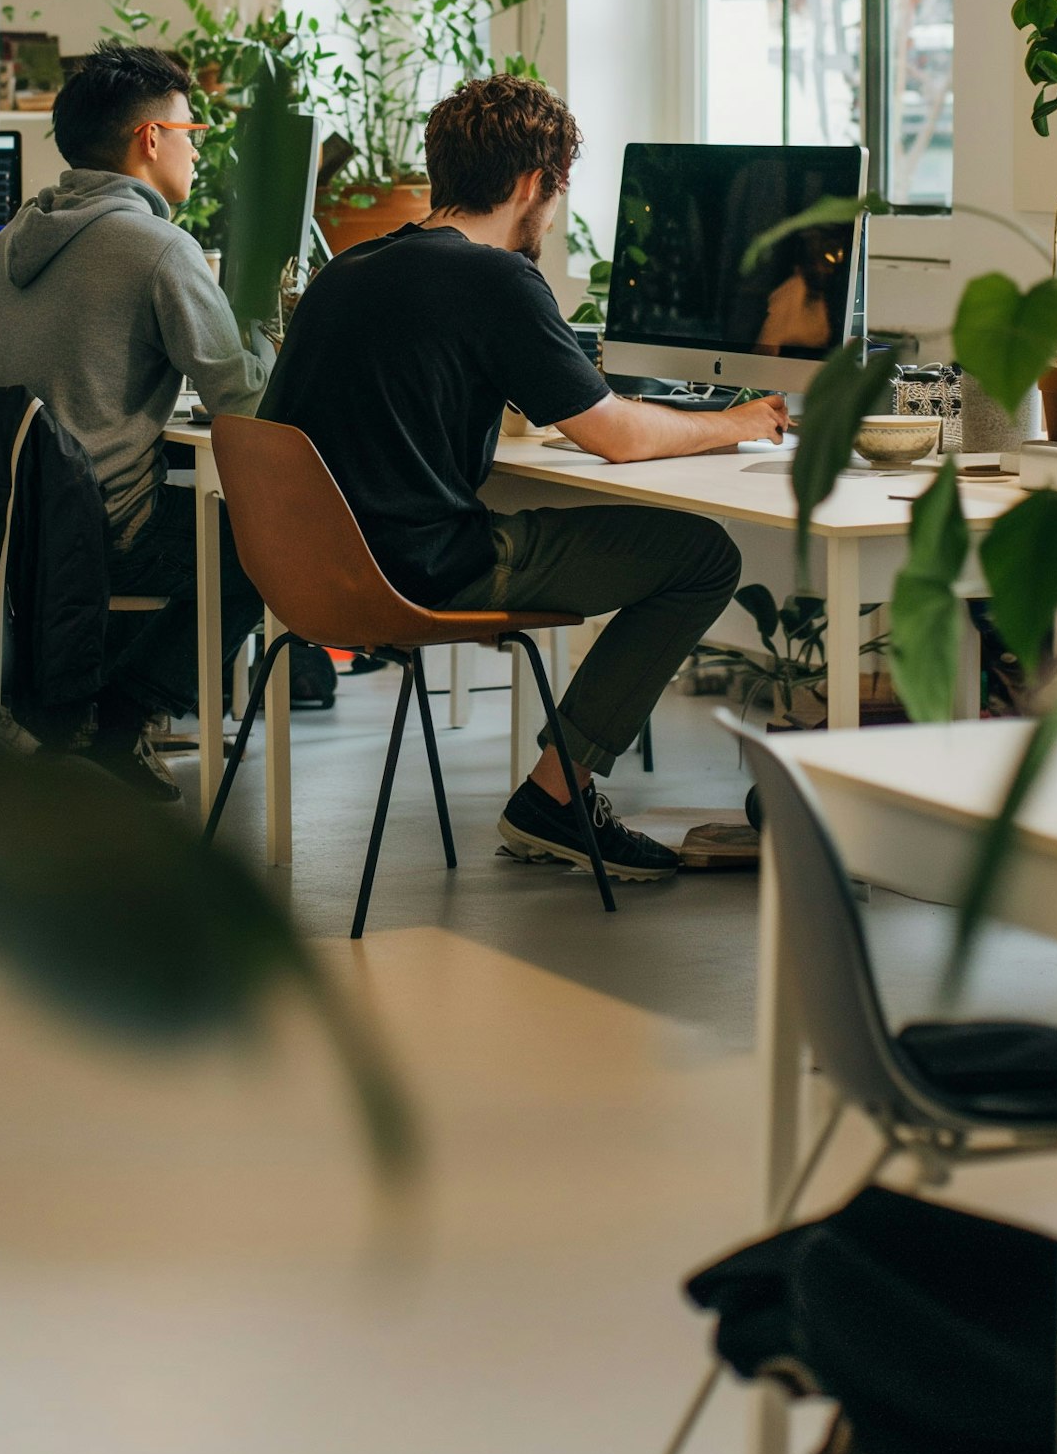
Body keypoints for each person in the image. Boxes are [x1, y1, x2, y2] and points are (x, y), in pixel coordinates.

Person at [262, 72, 786, 881]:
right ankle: (556, 795)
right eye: (556, 192)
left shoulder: (351, 269)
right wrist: (738, 421)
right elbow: (612, 436)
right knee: (705, 555)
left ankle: (555, 795)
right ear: (534, 184)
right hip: (422, 570)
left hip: (314, 577)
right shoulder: (496, 279)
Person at [0, 42, 270, 799]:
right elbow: (245, 402)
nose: (198, 151)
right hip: (97, 531)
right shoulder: (159, 248)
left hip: (9, 527)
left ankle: (86, 710)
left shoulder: (14, 239)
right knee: (267, 547)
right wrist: (267, 327)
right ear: (151, 139)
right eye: (192, 132)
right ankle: (120, 715)